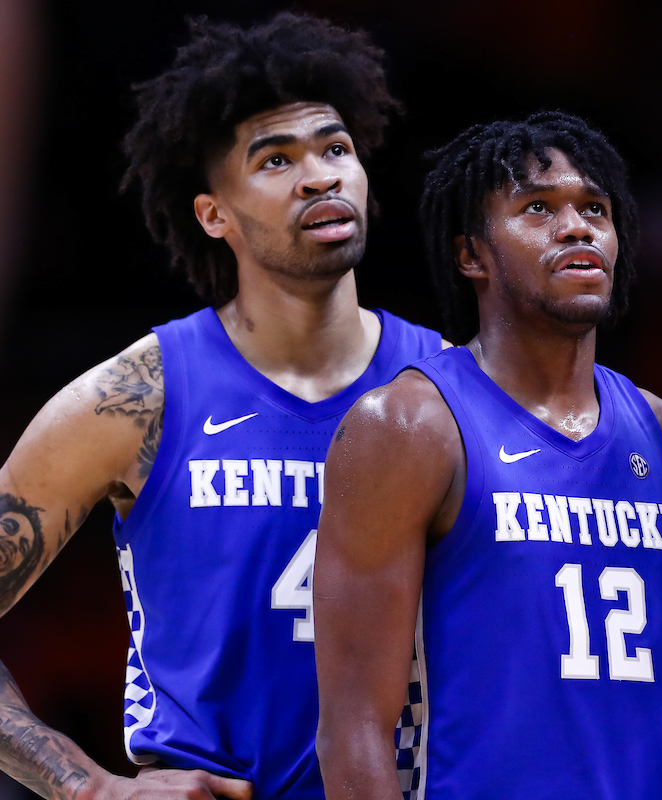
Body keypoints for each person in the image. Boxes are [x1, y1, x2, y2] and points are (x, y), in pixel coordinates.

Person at [0, 13, 445, 800]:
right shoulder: (139, 398)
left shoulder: (447, 386)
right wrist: (87, 787)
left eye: (335, 149)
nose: (320, 176)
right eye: (276, 159)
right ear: (214, 215)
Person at [313, 112, 662, 800]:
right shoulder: (409, 427)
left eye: (595, 209)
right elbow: (353, 731)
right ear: (473, 255)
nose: (578, 227)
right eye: (538, 208)